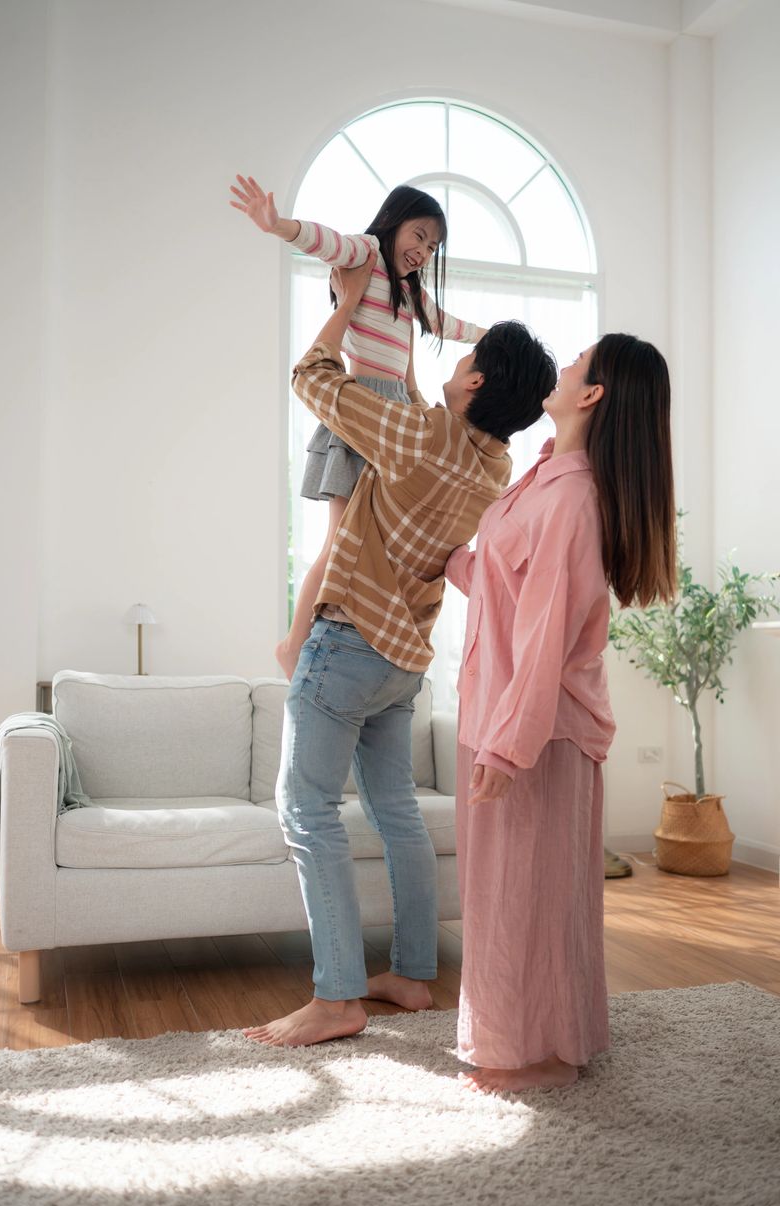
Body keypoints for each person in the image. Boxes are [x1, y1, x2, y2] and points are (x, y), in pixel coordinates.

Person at [242, 251, 557, 1047]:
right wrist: (414, 357)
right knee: (395, 813)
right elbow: (431, 424)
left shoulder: (412, 436)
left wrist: (348, 305)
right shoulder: (496, 467)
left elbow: (310, 375)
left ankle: (338, 996)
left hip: (348, 649)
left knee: (306, 810)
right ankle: (413, 975)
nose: (459, 363)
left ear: (479, 382)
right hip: (406, 663)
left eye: (470, 359)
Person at [446, 334, 676, 1094]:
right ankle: (538, 1038)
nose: (566, 365)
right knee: (507, 890)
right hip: (500, 712)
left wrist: (507, 750)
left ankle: (540, 1054)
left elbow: (545, 636)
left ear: (593, 396)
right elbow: (507, 592)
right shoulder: (544, 477)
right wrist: (442, 556)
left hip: (537, 731)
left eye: (579, 360)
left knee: (531, 893)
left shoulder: (575, 498)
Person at [229, 175, 486, 679]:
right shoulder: (365, 254)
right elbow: (323, 239)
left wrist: (491, 338)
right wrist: (277, 224)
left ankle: (352, 638)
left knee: (370, 543)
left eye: (432, 246)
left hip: (393, 417)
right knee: (338, 542)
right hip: (359, 411)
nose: (423, 251)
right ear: (393, 224)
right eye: (418, 236)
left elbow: (445, 324)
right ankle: (294, 642)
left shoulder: (409, 295)